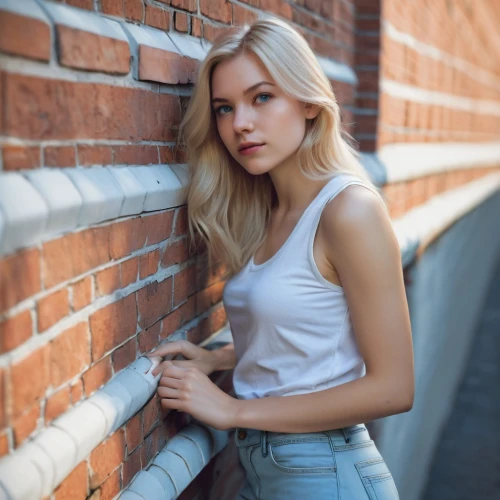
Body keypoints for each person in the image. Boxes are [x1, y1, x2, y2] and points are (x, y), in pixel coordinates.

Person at [147, 16, 414, 499]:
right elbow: (312, 337)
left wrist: (232, 411)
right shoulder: (269, 213)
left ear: (309, 102)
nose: (240, 123)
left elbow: (393, 388)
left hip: (326, 473)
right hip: (265, 470)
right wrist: (220, 359)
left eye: (262, 97)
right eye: (224, 108)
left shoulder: (349, 210)